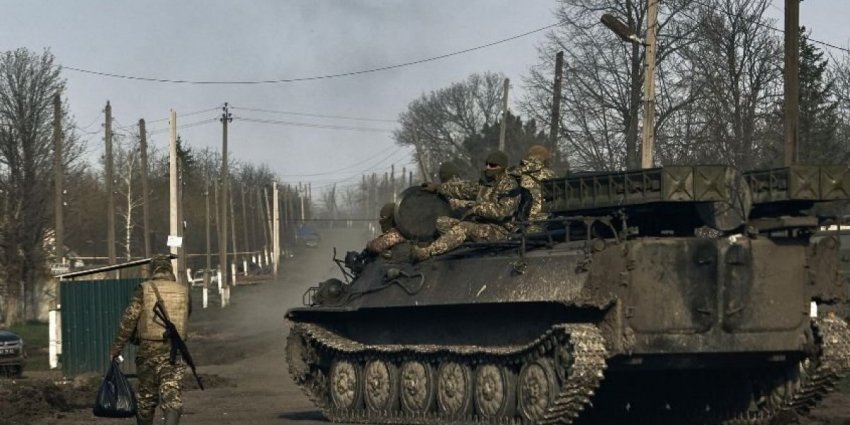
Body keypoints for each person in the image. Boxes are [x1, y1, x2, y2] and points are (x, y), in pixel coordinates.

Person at [110, 255, 190, 425]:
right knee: (172, 394)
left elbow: (129, 320)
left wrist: (117, 348)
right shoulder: (183, 291)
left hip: (148, 352)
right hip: (174, 351)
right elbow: (185, 315)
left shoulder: (144, 289)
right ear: (169, 269)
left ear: (153, 269)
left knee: (146, 398)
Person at [413, 150, 519, 260]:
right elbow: (462, 189)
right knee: (442, 222)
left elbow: (503, 212)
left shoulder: (509, 184)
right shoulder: (486, 183)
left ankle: (426, 253)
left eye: (492, 165)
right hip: (481, 225)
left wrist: (477, 209)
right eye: (487, 164)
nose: (488, 167)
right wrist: (437, 188)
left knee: (464, 227)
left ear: (502, 167)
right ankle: (458, 246)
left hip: (500, 231)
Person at [508, 145, 556, 233]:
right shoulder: (550, 174)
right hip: (543, 223)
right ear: (545, 158)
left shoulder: (514, 172)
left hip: (519, 224)